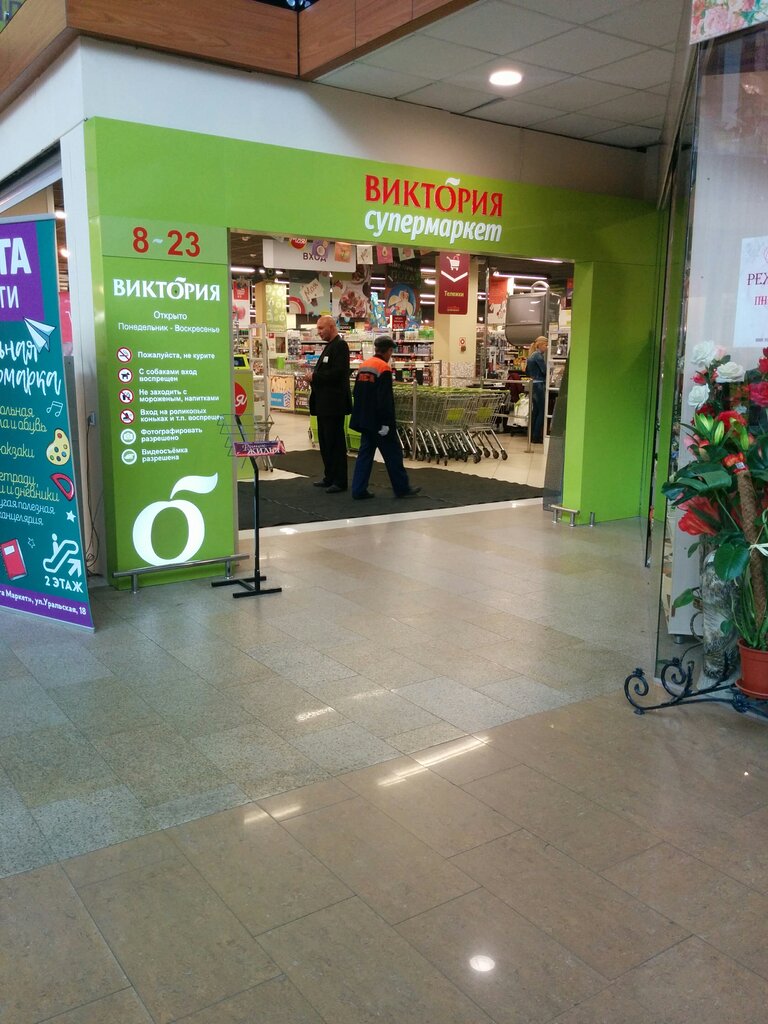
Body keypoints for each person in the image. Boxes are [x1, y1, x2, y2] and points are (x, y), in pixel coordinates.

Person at [350, 336, 421, 500]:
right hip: (379, 422)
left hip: (365, 420)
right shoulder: (384, 368)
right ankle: (402, 488)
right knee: (393, 455)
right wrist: (386, 423)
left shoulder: (364, 365)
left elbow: (357, 392)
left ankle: (358, 489)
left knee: (365, 455)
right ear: (388, 351)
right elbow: (385, 399)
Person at [307, 315, 352, 492]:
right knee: (325, 443)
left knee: (335, 443)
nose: (318, 332)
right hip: (323, 404)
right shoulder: (329, 346)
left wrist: (315, 376)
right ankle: (329, 476)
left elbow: (339, 373)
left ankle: (340, 481)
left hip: (334, 404)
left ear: (332, 327)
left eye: (321, 328)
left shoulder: (340, 346)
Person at [526, 335, 548, 444]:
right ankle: (536, 436)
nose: (547, 347)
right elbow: (545, 371)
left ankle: (531, 434)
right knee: (542, 411)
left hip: (533, 385)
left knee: (535, 411)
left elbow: (527, 371)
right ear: (540, 345)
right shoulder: (538, 356)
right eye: (545, 345)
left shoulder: (531, 355)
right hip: (539, 385)